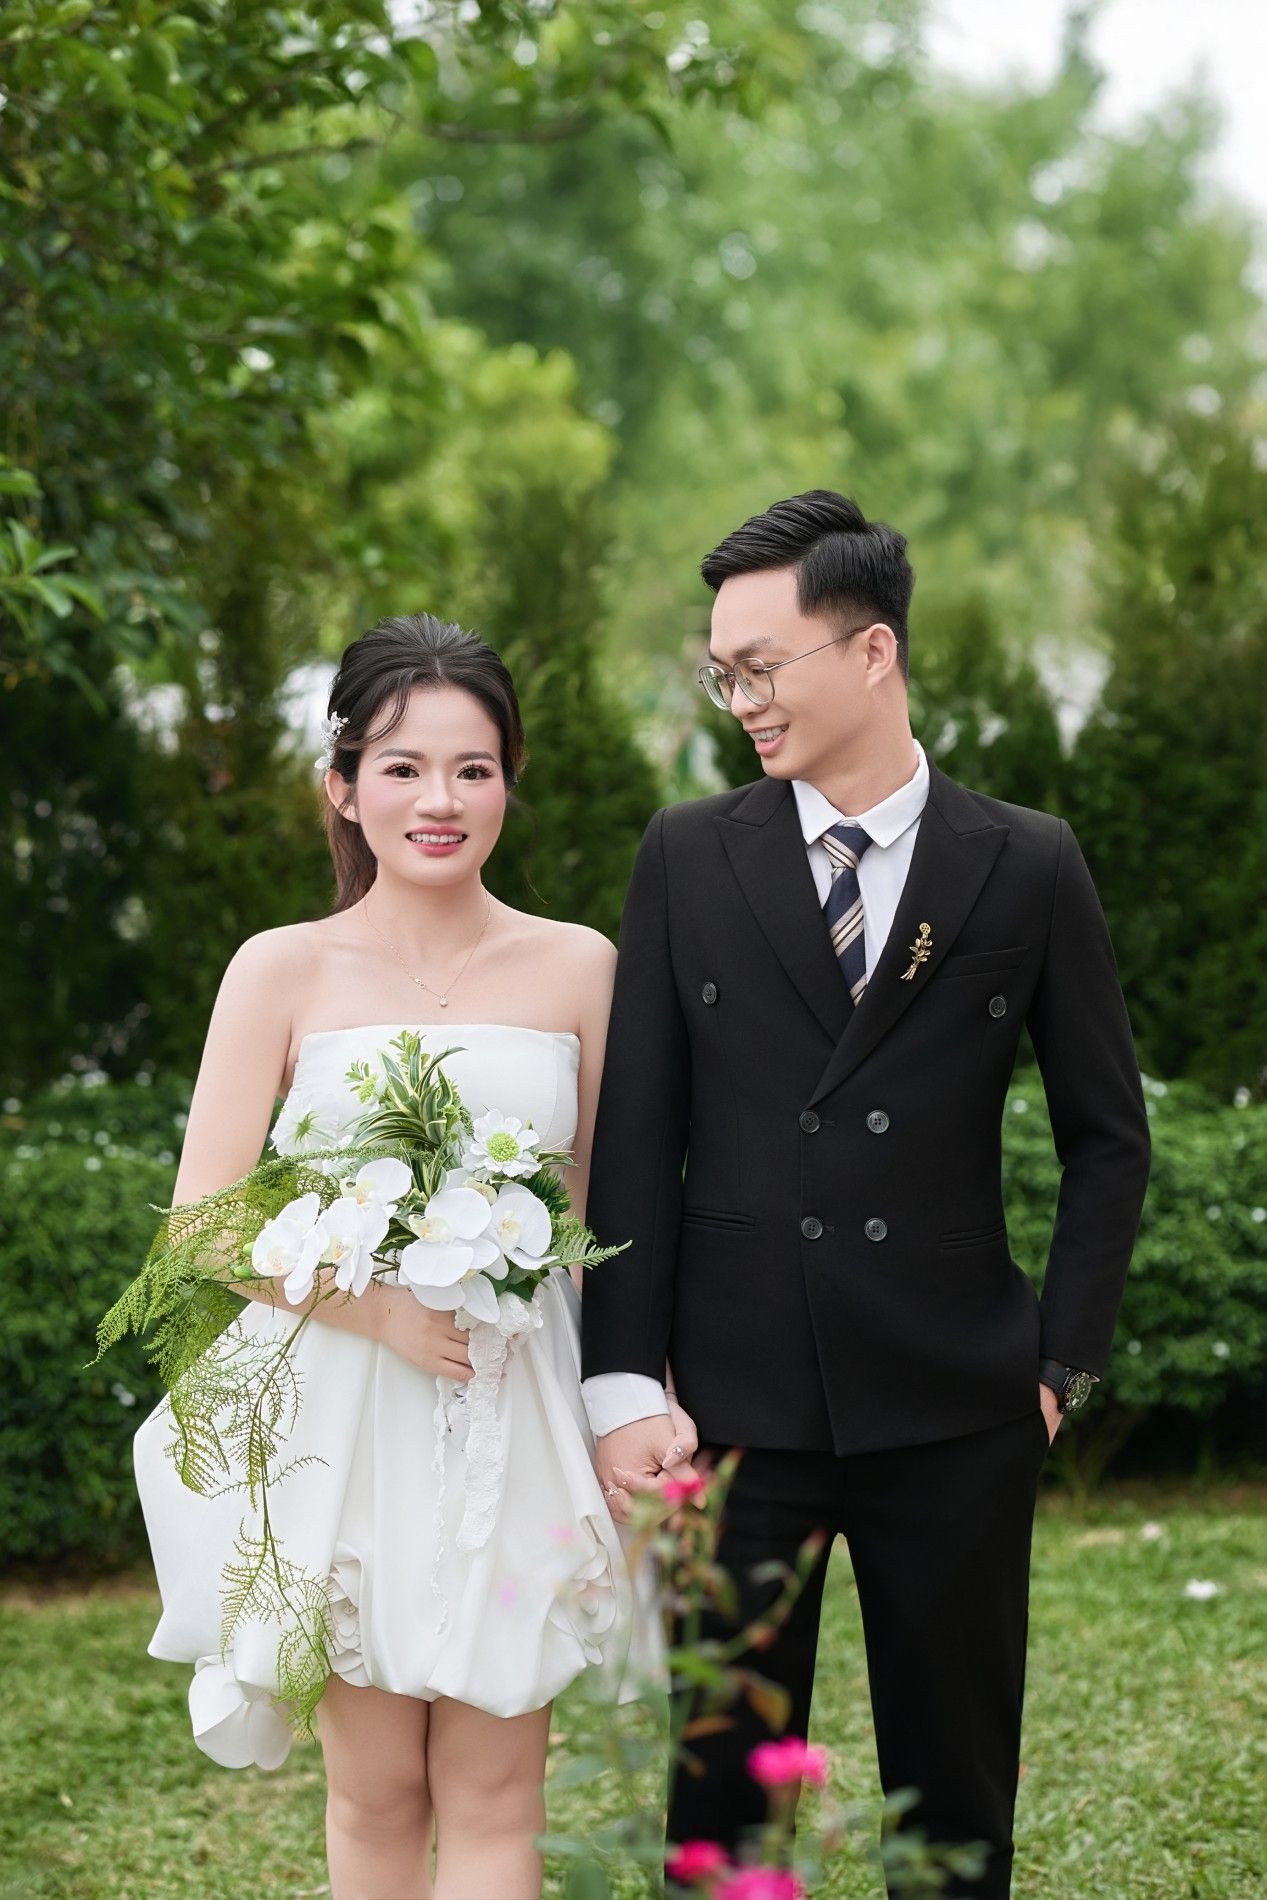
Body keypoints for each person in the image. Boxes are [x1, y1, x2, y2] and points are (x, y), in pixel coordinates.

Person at [580, 492, 1151, 1897]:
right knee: (716, 1810)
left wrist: (1056, 1368)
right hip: (730, 1410)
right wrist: (621, 1384)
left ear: (872, 650)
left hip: (955, 1403)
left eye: (758, 667)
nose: (738, 700)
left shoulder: (1023, 860)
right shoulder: (686, 852)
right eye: (720, 672)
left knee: (950, 1808)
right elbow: (638, 1137)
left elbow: (1107, 1136)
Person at [132, 613, 675, 1900]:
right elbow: (199, 1220)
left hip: (518, 1408)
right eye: (402, 767)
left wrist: (632, 1400)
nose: (440, 799)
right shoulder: (280, 968)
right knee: (375, 1792)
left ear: (508, 782)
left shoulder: (581, 966)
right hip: (342, 1416)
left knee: (498, 1791)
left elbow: (609, 1214)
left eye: (472, 768)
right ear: (342, 785)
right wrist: (371, 1307)